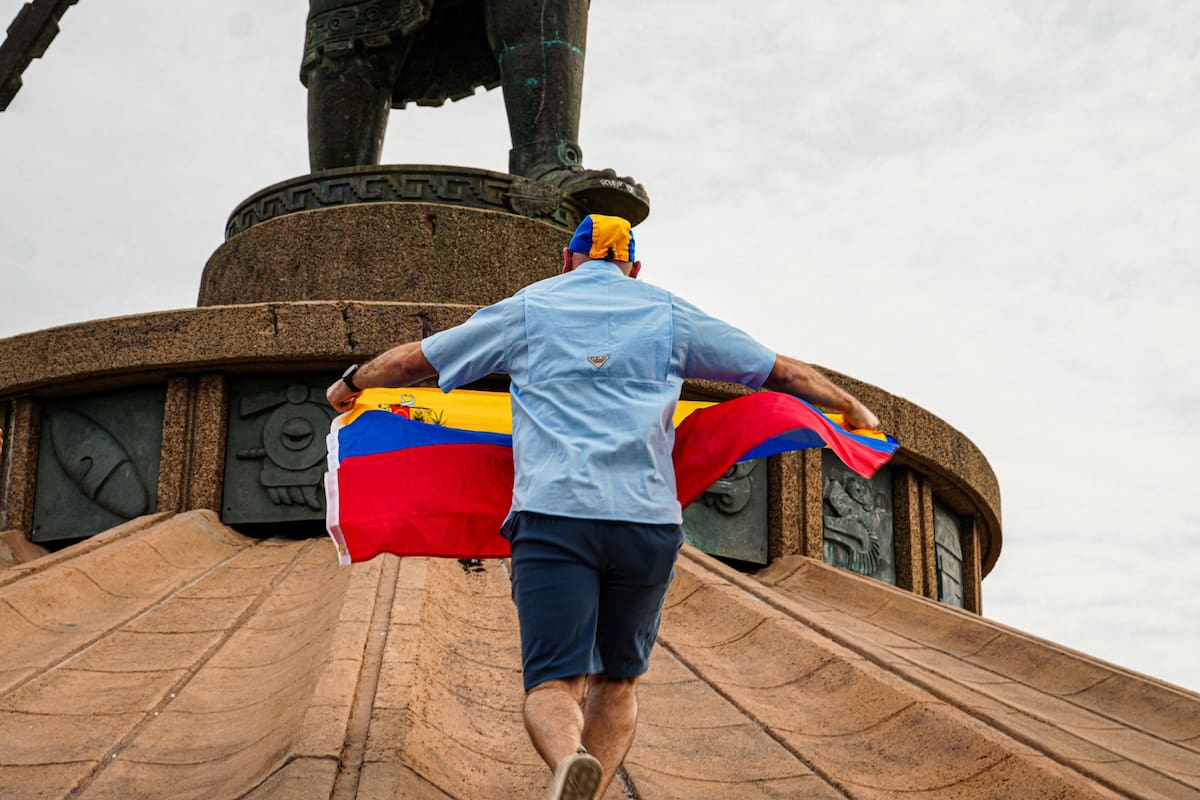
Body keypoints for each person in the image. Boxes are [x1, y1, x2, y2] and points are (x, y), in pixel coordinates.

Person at [326, 214, 879, 799]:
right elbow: (780, 371)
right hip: (647, 524)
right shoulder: (669, 315)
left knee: (553, 685)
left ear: (567, 261)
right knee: (618, 683)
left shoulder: (529, 309)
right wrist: (852, 407)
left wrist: (350, 383)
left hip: (555, 517)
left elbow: (414, 362)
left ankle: (569, 758)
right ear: (634, 269)